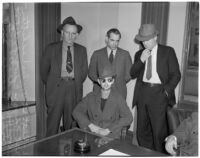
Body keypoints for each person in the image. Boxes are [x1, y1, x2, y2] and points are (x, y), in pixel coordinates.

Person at [130, 24, 181, 153]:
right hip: (143, 94)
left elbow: (176, 75)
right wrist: (141, 60)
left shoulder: (168, 51)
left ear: (156, 37)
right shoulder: (139, 54)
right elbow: (132, 73)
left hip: (159, 93)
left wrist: (166, 91)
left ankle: (159, 155)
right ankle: (145, 154)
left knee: (159, 132)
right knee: (142, 131)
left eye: (147, 40)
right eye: (143, 40)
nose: (145, 43)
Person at [40, 16, 88, 137]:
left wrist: (72, 82)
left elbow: (83, 72)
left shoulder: (82, 50)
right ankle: (50, 151)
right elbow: (44, 72)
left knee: (71, 124)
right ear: (62, 33)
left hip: (73, 89)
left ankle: (69, 152)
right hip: (56, 89)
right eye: (67, 33)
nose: (70, 36)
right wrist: (54, 83)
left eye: (73, 33)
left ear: (76, 35)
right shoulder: (51, 48)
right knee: (52, 124)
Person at [73, 66, 133, 139]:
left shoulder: (118, 98)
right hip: (92, 134)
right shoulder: (90, 96)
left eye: (109, 80)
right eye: (103, 80)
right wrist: (91, 126)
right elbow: (76, 112)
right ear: (99, 81)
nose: (106, 83)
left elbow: (128, 117)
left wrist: (109, 129)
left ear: (113, 81)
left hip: (110, 136)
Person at [89, 28, 132, 99]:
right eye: (112, 40)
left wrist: (118, 83)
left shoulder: (125, 54)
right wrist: (101, 82)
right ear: (106, 39)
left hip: (119, 93)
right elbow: (91, 73)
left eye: (117, 41)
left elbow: (129, 75)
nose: (115, 44)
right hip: (100, 92)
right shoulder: (97, 54)